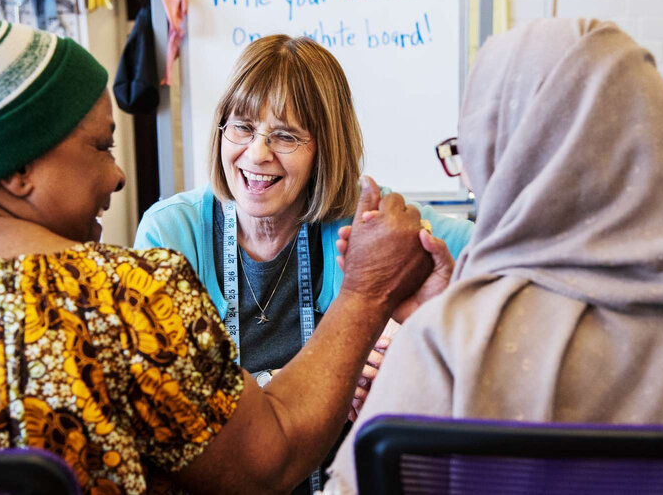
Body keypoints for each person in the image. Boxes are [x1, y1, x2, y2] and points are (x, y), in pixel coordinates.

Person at [0, 0, 439, 494]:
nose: (117, 175)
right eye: (100, 146)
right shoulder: (124, 299)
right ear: (22, 168)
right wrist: (363, 294)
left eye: (286, 136)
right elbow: (264, 467)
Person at [323, 18, 663, 493]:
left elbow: (354, 484)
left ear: (514, 153)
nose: (466, 173)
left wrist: (441, 316)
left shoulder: (450, 340)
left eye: (471, 147)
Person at [134, 34, 472, 382]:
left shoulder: (364, 218)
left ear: (325, 148)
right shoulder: (170, 234)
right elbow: (159, 391)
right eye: (242, 127)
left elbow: (497, 250)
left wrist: (420, 327)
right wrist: (313, 380)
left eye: (285, 136)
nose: (257, 154)